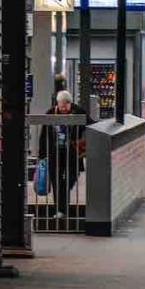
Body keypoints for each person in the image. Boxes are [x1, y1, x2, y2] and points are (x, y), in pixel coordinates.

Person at [38, 90, 95, 218]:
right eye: (61, 105)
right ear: (57, 103)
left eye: (66, 105)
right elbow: (44, 135)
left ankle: (62, 207)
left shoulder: (78, 111)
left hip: (73, 153)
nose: (63, 108)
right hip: (55, 153)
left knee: (70, 179)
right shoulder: (51, 113)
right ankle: (61, 210)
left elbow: (92, 125)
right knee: (56, 181)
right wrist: (42, 155)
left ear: (70, 103)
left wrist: (84, 142)